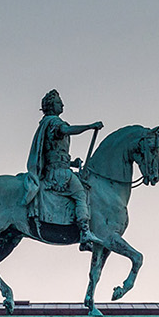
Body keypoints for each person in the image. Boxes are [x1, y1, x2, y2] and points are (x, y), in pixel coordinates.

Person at [25, 90, 103, 250]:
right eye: (59, 102)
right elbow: (66, 131)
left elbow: (53, 153)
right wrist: (89, 126)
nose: (62, 104)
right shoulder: (54, 122)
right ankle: (85, 232)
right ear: (52, 106)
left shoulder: (46, 123)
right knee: (81, 194)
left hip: (58, 168)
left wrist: (72, 162)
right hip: (58, 174)